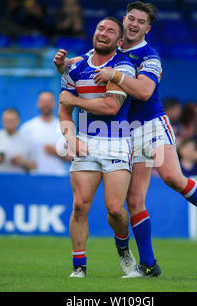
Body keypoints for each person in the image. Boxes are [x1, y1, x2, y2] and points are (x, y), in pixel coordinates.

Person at [54, 1, 197, 279]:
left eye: (141, 22)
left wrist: (115, 75)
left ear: (147, 28)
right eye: (131, 18)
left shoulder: (150, 56)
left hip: (151, 125)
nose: (134, 24)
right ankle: (149, 265)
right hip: (125, 130)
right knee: (134, 202)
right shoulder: (109, 49)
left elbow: (143, 91)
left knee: (173, 178)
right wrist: (63, 66)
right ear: (124, 21)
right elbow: (81, 65)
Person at [56, 17, 137, 278]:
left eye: (111, 30)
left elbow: (111, 106)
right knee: (79, 205)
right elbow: (64, 112)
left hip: (116, 141)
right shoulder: (75, 68)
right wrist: (71, 139)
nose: (103, 32)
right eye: (100, 28)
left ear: (119, 41)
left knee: (114, 208)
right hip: (86, 140)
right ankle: (79, 267)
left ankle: (124, 250)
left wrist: (75, 98)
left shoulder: (122, 66)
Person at [20, 91, 71, 176]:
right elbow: (21, 156)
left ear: (54, 104)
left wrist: (56, 152)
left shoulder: (65, 127)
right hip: (34, 177)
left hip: (58, 177)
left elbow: (74, 158)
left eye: (49, 101)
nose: (46, 105)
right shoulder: (27, 128)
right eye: (43, 102)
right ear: (38, 104)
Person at [0, 108, 36, 174]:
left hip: (20, 180)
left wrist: (22, 162)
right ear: (2, 121)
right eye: (6, 121)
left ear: (18, 121)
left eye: (11, 121)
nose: (8, 124)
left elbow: (34, 166)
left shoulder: (27, 140)